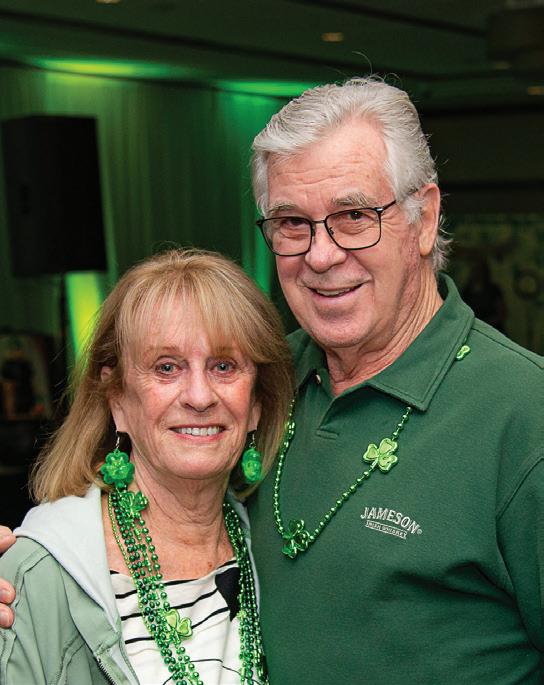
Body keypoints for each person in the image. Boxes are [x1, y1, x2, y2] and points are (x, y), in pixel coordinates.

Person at [1, 76, 544, 684]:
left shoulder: (527, 416)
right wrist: (30, 570)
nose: (321, 255)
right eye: (291, 222)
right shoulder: (258, 382)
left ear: (424, 218)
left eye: (354, 215)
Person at [0, 248, 293, 684]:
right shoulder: (37, 574)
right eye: (167, 367)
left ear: (256, 404)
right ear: (117, 397)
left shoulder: (273, 552)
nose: (199, 396)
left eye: (224, 366)